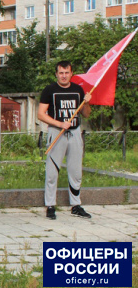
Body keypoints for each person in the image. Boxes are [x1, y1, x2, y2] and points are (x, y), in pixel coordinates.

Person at [38, 61, 92, 220]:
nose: (63, 75)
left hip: (75, 133)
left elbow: (86, 114)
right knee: (52, 171)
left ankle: (76, 205)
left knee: (76, 171)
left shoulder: (78, 89)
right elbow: (41, 114)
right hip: (56, 132)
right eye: (61, 73)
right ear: (56, 74)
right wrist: (59, 123)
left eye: (66, 72)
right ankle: (50, 206)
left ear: (71, 73)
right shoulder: (50, 90)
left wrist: (87, 102)